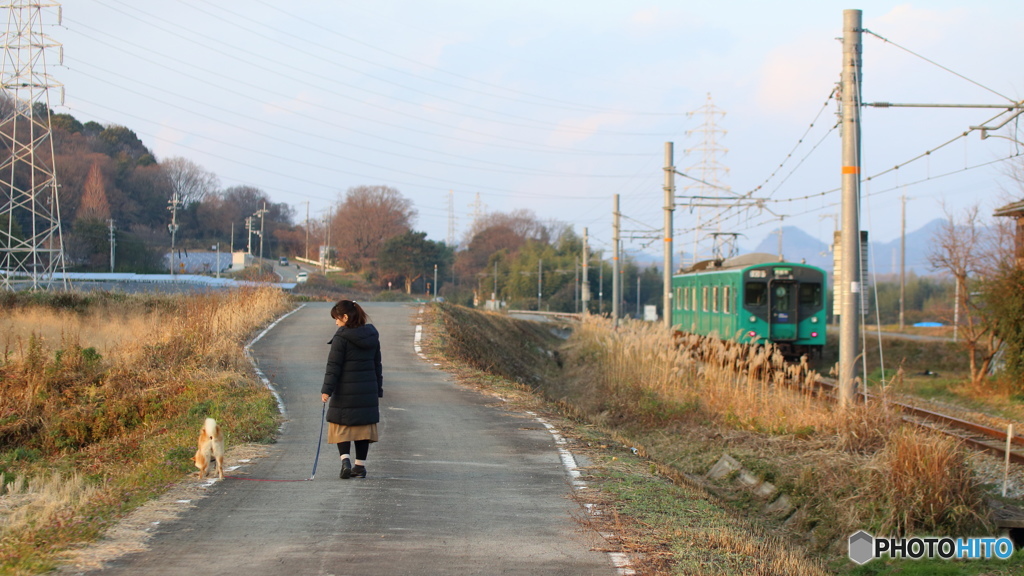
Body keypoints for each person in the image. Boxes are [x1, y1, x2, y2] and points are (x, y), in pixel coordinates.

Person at [321, 300, 383, 479]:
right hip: (367, 391)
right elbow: (377, 364)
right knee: (363, 428)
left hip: (345, 392)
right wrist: (378, 389)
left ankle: (345, 461)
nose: (336, 322)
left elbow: (333, 367)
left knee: (341, 425)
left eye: (337, 318)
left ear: (346, 317)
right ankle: (359, 467)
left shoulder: (341, 338)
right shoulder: (372, 335)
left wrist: (327, 390)